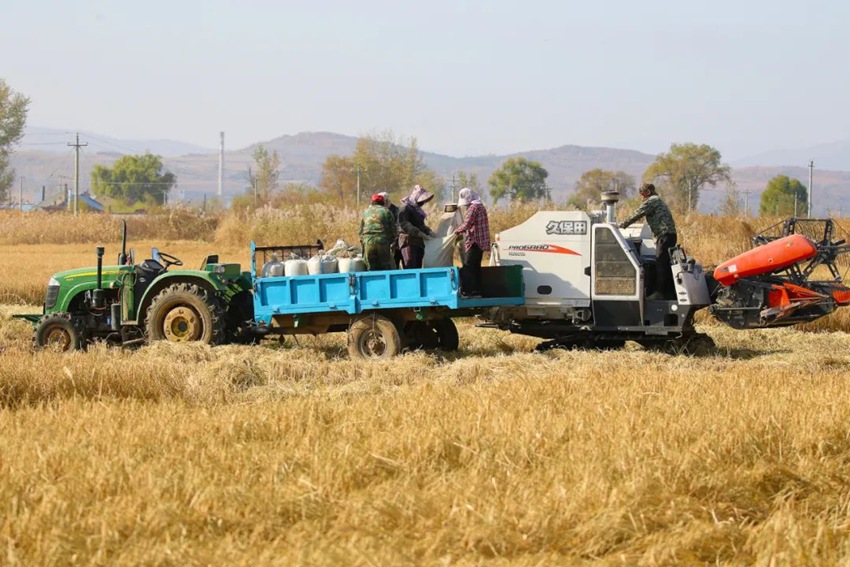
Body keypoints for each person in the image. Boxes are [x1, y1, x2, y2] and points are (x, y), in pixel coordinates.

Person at [619, 182, 678, 300]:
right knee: (665, 264)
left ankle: (660, 293)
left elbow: (637, 214)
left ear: (648, 192)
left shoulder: (652, 201)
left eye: (641, 193)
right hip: (669, 235)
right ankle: (668, 293)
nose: (640, 196)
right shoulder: (658, 201)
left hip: (664, 236)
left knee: (660, 263)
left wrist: (621, 225)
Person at [453, 187, 490, 297]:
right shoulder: (481, 206)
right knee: (476, 267)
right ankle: (477, 291)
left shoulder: (474, 208)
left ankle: (467, 291)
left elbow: (467, 224)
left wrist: (455, 232)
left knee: (468, 266)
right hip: (481, 242)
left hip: (474, 241)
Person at [397, 184, 435, 269]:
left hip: (418, 243)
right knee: (411, 267)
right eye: (422, 201)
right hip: (408, 242)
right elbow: (404, 224)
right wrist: (419, 233)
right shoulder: (405, 208)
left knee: (418, 268)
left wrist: (428, 231)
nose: (423, 203)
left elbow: (420, 225)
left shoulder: (416, 209)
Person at [358, 193, 397, 271]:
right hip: (382, 241)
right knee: (384, 266)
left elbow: (360, 231)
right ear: (383, 203)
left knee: (371, 267)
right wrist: (390, 242)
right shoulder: (386, 211)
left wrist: (363, 242)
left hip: (368, 241)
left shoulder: (366, 212)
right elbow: (393, 230)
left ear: (372, 202)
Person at [378, 191, 403, 268]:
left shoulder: (397, 211)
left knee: (396, 263)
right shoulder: (380, 212)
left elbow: (399, 227)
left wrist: (394, 242)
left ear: (386, 201)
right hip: (385, 244)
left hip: (397, 244)